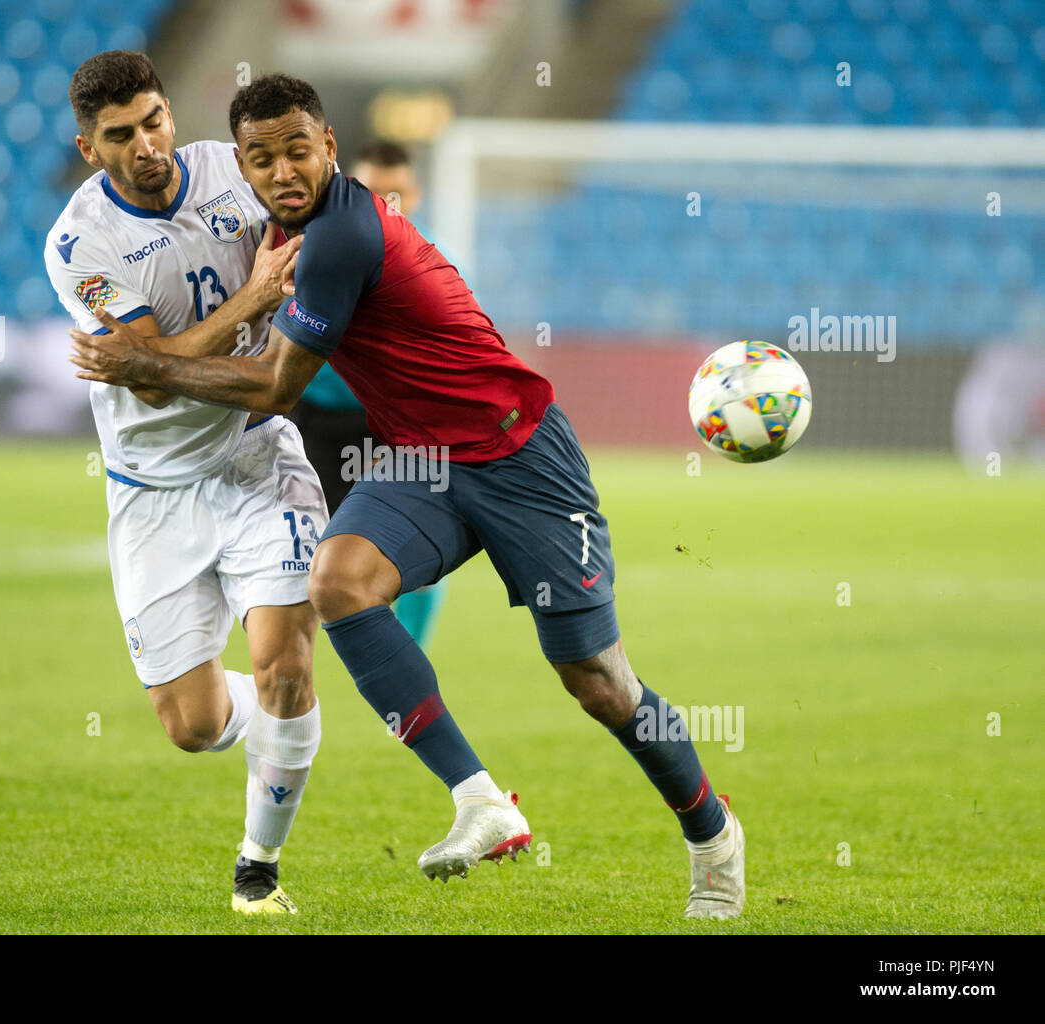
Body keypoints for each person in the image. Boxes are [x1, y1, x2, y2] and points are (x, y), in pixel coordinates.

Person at [68, 73, 745, 919]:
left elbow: (278, 388)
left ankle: (712, 834)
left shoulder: (341, 235)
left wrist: (148, 366)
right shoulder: (274, 229)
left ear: (331, 149)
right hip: (424, 460)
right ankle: (479, 801)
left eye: (297, 151)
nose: (282, 172)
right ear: (241, 167)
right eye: (262, 159)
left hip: (521, 455)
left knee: (597, 682)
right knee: (338, 582)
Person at [45, 52, 328, 915]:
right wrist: (248, 303)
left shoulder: (228, 168)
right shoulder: (78, 243)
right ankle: (282, 722)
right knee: (194, 726)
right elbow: (153, 374)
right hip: (152, 488)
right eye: (122, 135)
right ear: (90, 148)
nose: (149, 144)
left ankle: (258, 869)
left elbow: (313, 201)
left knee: (284, 662)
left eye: (156, 119)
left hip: (256, 453)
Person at [286, 139, 447, 651]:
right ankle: (291, 675)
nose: (385, 205)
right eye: (374, 192)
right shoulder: (311, 251)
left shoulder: (438, 267)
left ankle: (410, 673)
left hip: (397, 425)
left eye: (395, 194)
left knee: (420, 548)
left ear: (415, 195)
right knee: (304, 557)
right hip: (315, 420)